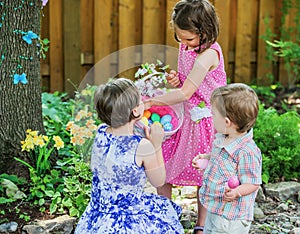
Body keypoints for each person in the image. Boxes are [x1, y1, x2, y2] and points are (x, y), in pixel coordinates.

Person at [144, 0, 226, 233]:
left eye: (189, 39)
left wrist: (151, 100)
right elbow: (186, 83)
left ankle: (202, 224)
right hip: (185, 114)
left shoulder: (208, 55)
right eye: (179, 38)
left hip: (205, 120)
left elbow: (187, 92)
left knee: (204, 172)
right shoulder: (188, 47)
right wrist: (176, 78)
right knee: (165, 162)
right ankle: (166, 215)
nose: (184, 44)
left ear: (206, 31)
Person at [75, 78, 184, 234]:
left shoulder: (101, 132)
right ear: (135, 111)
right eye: (141, 101)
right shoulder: (142, 147)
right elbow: (158, 180)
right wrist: (156, 145)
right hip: (128, 219)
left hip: (99, 214)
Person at [192, 83, 262, 234]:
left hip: (231, 217)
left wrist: (237, 192)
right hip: (215, 206)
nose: (212, 118)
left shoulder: (247, 151)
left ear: (227, 122)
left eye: (214, 114)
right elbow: (222, 159)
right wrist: (207, 159)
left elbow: (253, 182)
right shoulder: (224, 137)